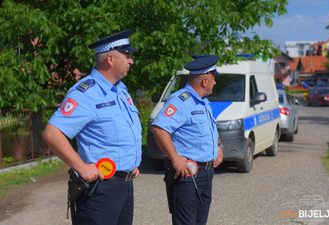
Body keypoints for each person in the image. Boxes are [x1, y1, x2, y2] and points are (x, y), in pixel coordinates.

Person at [43, 29, 142, 225]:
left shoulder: (120, 90)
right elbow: (52, 133)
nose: (131, 61)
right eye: (127, 55)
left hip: (124, 186)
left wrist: (130, 162)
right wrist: (81, 167)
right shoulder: (85, 93)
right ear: (111, 59)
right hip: (100, 190)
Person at [151, 55, 223, 225]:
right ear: (204, 81)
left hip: (205, 172)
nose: (215, 82)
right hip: (188, 174)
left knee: (200, 221)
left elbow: (210, 128)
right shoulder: (180, 101)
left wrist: (218, 145)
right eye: (213, 78)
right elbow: (159, 128)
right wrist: (176, 159)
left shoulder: (203, 102)